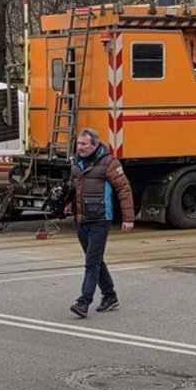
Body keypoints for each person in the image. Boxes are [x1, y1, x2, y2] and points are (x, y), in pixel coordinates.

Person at [69, 127, 135, 319]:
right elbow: (72, 188)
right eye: (78, 143)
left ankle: (84, 302)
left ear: (94, 145)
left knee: (91, 262)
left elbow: (124, 189)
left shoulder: (109, 162)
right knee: (95, 260)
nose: (79, 147)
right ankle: (110, 295)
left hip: (100, 219)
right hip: (81, 219)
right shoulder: (76, 163)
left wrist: (128, 219)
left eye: (83, 144)